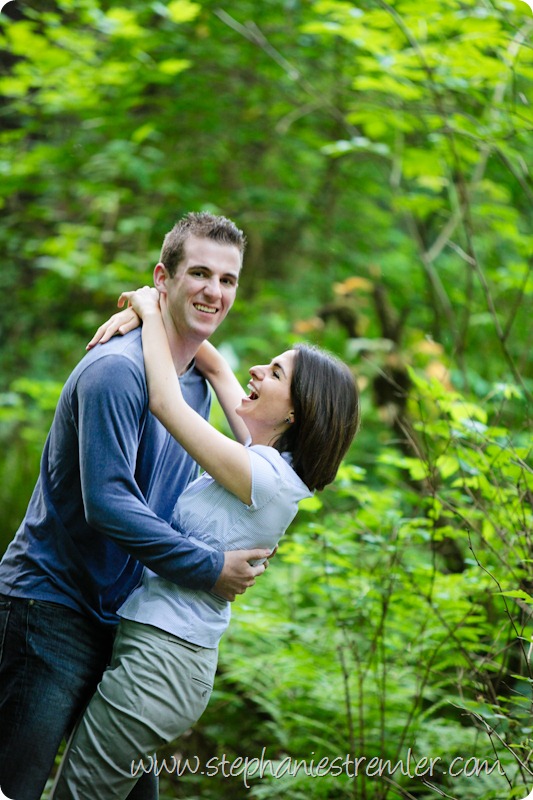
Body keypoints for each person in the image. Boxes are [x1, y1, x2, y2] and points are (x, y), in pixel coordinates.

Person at [49, 285, 360, 799]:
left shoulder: (262, 477)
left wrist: (150, 311)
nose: (257, 372)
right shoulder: (264, 462)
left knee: (78, 792)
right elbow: (214, 368)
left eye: (275, 373)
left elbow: (164, 401)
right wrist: (165, 316)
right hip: (160, 655)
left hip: (164, 664)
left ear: (295, 414)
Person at [0, 212, 271, 800]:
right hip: (51, 611)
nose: (214, 291)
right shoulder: (115, 371)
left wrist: (150, 309)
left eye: (227, 280)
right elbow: (109, 503)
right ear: (163, 278)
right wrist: (209, 567)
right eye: (198, 273)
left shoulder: (195, 379)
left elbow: (263, 462)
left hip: (128, 622)